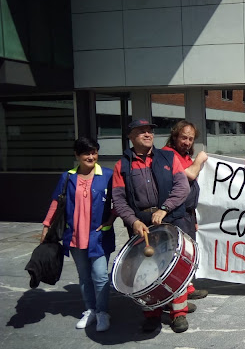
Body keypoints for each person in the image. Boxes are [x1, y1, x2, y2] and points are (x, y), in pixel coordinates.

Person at [112, 119, 193, 333]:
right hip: (142, 227)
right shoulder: (122, 165)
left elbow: (182, 187)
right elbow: (119, 200)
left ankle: (179, 313)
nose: (147, 135)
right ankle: (151, 314)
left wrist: (165, 208)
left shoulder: (169, 157)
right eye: (141, 132)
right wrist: (133, 221)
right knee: (144, 272)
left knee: (174, 267)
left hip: (170, 220)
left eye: (149, 131)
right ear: (130, 137)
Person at [41, 137, 116, 332]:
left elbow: (120, 200)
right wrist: (46, 226)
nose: (91, 156)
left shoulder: (107, 175)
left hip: (99, 236)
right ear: (77, 155)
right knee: (84, 277)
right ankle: (90, 310)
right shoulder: (67, 177)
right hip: (74, 235)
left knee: (100, 276)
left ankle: (102, 312)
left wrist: (111, 218)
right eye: (86, 153)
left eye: (94, 152)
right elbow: (57, 203)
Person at [162, 120, 209, 301]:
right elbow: (188, 174)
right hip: (176, 214)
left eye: (190, 139)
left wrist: (195, 217)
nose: (187, 142)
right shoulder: (167, 155)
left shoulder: (185, 157)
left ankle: (187, 287)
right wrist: (199, 160)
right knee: (177, 255)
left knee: (188, 253)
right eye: (183, 138)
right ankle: (176, 297)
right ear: (174, 136)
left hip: (188, 214)